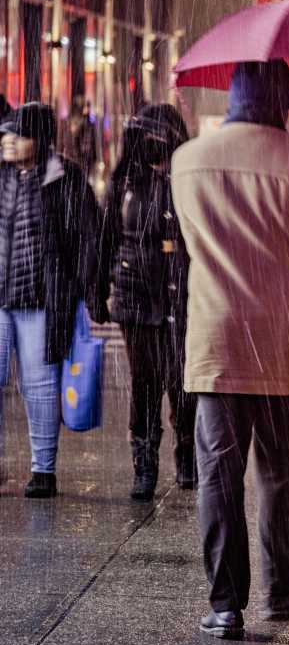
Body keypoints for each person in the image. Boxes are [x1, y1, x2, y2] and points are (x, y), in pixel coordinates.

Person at [171, 60, 289, 640]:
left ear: (233, 96)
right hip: (283, 346)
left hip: (217, 341)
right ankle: (282, 590)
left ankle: (225, 605)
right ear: (283, 101)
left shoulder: (188, 161)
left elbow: (194, 245)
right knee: (282, 470)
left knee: (219, 474)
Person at [94, 104, 194, 502]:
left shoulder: (187, 179)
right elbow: (105, 238)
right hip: (135, 294)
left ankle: (187, 452)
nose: (154, 145)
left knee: (182, 381)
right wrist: (98, 289)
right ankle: (145, 462)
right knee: (144, 382)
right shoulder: (125, 182)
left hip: (180, 294)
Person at [0, 103, 99, 499]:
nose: (8, 141)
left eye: (18, 135)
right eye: (6, 134)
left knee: (39, 386)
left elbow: (88, 239)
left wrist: (85, 290)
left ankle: (43, 470)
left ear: (39, 141)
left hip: (41, 299)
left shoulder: (65, 179)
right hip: (0, 299)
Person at [68, 98, 98, 181]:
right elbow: (76, 138)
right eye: (86, 107)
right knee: (83, 174)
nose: (88, 109)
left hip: (88, 153)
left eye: (88, 107)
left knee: (86, 174)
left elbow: (93, 140)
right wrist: (78, 153)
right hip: (83, 153)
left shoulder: (90, 123)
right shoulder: (81, 122)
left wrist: (94, 154)